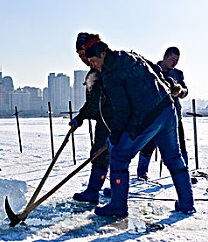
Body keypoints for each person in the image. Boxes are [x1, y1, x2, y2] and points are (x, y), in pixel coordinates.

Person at [83, 35, 195, 217]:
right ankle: (187, 203)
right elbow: (157, 72)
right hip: (167, 109)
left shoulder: (111, 74)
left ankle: (118, 206)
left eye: (94, 61)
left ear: (103, 54)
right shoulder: (130, 56)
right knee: (174, 157)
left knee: (118, 156)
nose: (93, 66)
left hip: (148, 116)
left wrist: (116, 134)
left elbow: (122, 108)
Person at [69, 33, 113, 203]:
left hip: (112, 120)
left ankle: (95, 191)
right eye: (80, 56)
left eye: (83, 54)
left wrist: (81, 117)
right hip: (105, 119)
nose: (83, 59)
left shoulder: (103, 71)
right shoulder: (95, 71)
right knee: (103, 154)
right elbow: (93, 103)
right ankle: (102, 190)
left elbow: (94, 104)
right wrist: (80, 118)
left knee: (105, 155)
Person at [137, 47, 188, 180]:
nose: (174, 62)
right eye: (172, 59)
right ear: (165, 57)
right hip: (154, 115)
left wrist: (181, 91)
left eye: (177, 60)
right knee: (149, 144)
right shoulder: (152, 70)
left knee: (180, 145)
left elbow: (185, 89)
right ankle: (142, 173)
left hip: (173, 115)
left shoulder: (178, 74)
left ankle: (184, 172)